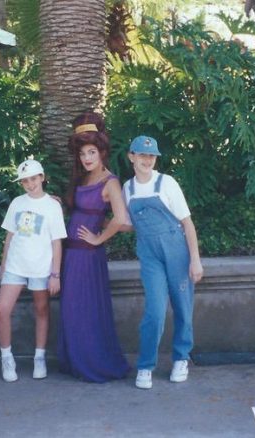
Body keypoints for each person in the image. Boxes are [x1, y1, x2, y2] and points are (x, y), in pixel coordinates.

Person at [122, 136, 204, 390]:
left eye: (152, 156)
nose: (147, 160)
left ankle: (181, 358)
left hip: (177, 252)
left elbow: (187, 223)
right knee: (155, 311)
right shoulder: (128, 189)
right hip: (149, 255)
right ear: (131, 156)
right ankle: (146, 365)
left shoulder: (166, 183)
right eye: (142, 155)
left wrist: (195, 260)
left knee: (182, 307)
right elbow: (126, 224)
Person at [57, 113, 130, 382]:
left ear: (102, 152)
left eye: (92, 152)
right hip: (71, 253)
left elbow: (122, 219)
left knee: (83, 310)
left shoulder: (109, 182)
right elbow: (77, 211)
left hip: (88, 256)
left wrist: (99, 238)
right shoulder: (84, 178)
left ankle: (93, 364)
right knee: (71, 309)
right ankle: (76, 361)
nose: (86, 158)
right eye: (82, 153)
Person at [0, 159, 67, 382]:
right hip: (16, 266)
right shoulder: (17, 202)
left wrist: (55, 274)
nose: (30, 184)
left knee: (42, 310)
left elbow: (56, 242)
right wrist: (4, 263)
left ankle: (39, 356)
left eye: (33, 178)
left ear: (42, 177)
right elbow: (10, 236)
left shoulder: (52, 206)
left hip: (41, 268)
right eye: (25, 180)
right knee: (1, 310)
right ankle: (6, 357)